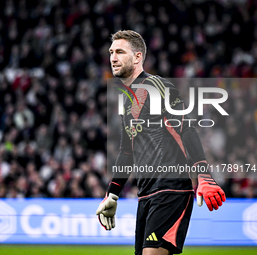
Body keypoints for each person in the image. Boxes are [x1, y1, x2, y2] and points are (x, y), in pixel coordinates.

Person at [96, 30, 226, 255]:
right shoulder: (127, 102)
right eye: (111, 52)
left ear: (137, 57)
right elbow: (127, 152)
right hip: (145, 194)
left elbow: (185, 127)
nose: (113, 58)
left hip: (171, 189)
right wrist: (112, 194)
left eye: (119, 52)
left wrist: (203, 174)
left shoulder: (157, 86)